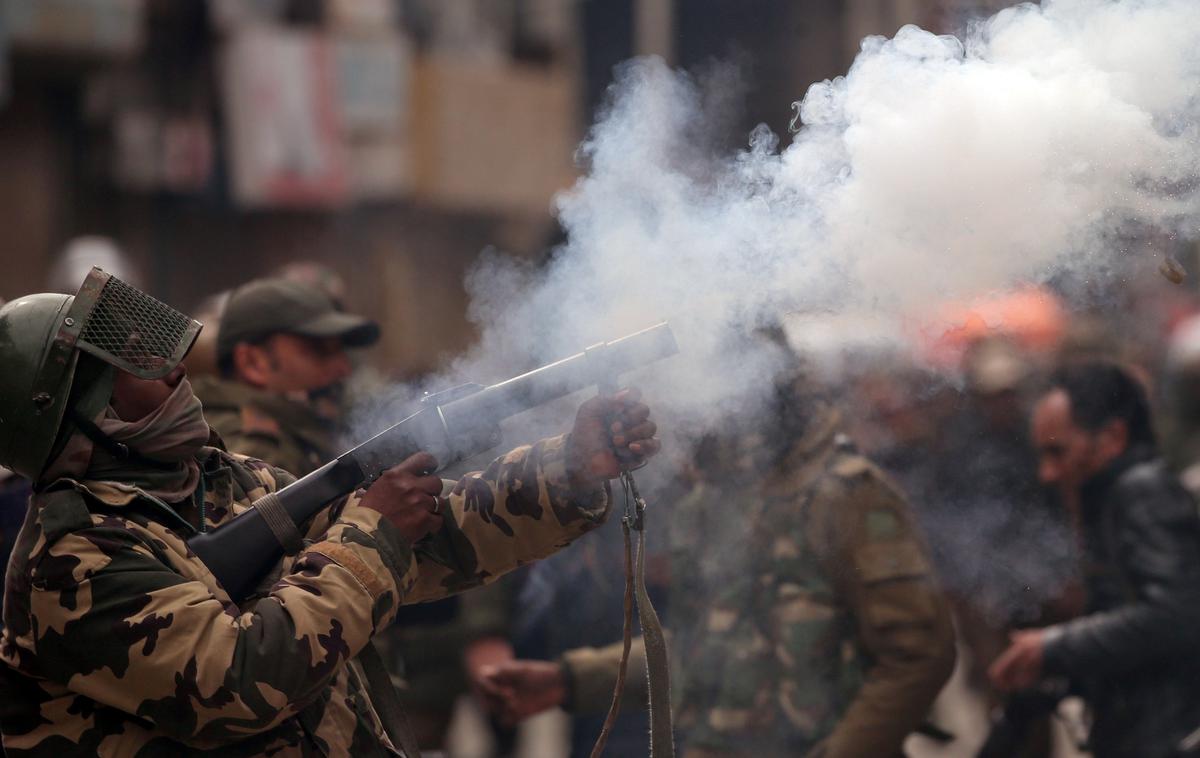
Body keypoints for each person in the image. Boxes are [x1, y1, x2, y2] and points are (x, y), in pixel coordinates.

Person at [0, 268, 660, 756]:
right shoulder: (71, 557)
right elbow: (238, 680)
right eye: (134, 367)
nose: (173, 374)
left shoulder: (226, 481)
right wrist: (373, 529)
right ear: (85, 411)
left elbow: (430, 543)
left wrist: (567, 468)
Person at [483, 366, 956, 758]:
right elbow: (702, 639)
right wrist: (567, 680)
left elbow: (917, 655)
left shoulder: (847, 492)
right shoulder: (709, 501)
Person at [989, 360, 1200, 758]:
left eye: (1058, 452)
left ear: (1112, 438)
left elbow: (1176, 615)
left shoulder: (1142, 492)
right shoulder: (1117, 496)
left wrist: (1054, 646)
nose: (1047, 473)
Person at [192, 277, 378, 477]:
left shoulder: (295, 429)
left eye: (340, 351)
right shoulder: (252, 449)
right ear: (252, 363)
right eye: (319, 350)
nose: (344, 368)